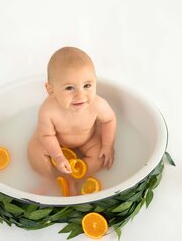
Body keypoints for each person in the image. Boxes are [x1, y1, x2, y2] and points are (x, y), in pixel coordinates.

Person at [27, 46, 116, 195]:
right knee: (35, 151)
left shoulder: (98, 104)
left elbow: (109, 120)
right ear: (51, 90)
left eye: (87, 85)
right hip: (56, 141)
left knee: (99, 157)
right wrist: (58, 156)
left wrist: (107, 145)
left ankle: (75, 178)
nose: (80, 95)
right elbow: (46, 135)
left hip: (88, 140)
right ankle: (48, 180)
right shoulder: (48, 110)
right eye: (69, 88)